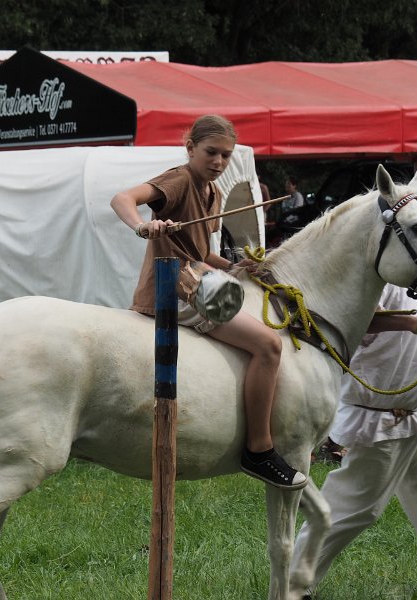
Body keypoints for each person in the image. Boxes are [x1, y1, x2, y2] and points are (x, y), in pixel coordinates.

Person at [110, 114, 305, 489]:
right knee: (269, 344)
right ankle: (259, 451)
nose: (218, 162)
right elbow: (123, 199)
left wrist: (236, 266)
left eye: (225, 156)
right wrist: (142, 225)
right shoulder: (180, 179)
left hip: (198, 279)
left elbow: (201, 251)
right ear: (190, 149)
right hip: (173, 290)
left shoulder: (213, 192)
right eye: (211, 152)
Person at [290, 284, 417, 600]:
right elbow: (356, 317)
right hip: (381, 422)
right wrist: (412, 324)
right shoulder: (379, 272)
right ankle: (293, 586)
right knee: (351, 509)